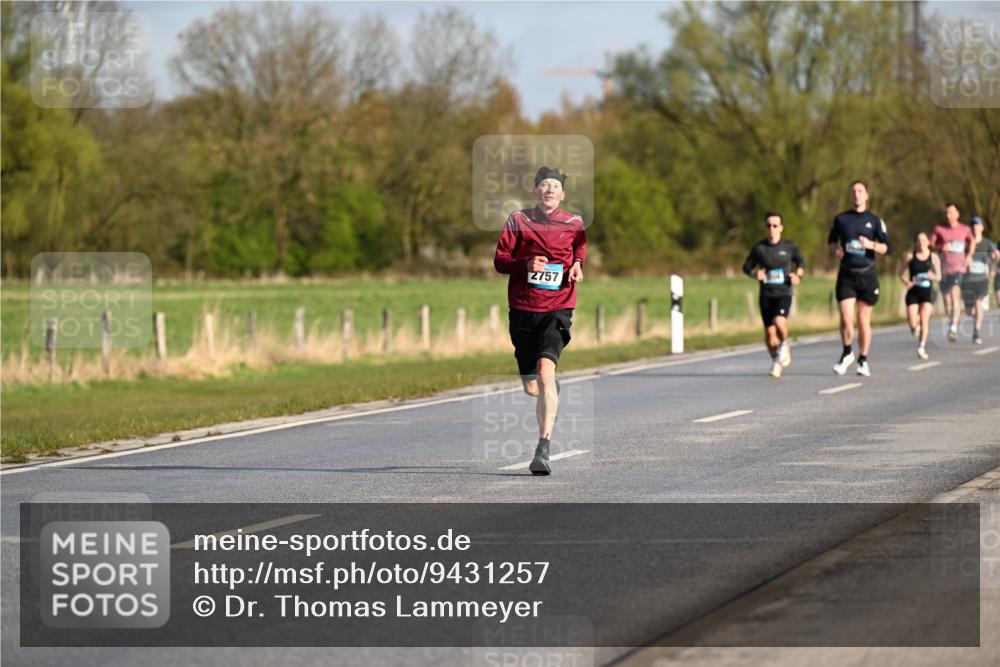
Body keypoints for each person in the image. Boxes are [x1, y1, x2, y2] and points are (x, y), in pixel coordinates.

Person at [494, 166, 586, 476]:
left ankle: (543, 447)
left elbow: (580, 248)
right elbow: (500, 261)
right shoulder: (518, 221)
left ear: (563, 194)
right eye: (544, 185)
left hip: (558, 307)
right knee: (533, 387)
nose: (549, 190)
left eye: (555, 186)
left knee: (546, 372)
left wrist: (577, 264)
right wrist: (526, 264)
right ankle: (548, 388)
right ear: (535, 191)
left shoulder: (574, 222)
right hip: (522, 308)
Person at [828, 180, 892, 377]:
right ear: (850, 196)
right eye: (853, 191)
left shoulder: (875, 221)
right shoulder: (841, 219)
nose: (856, 194)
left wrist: (871, 244)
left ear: (866, 196)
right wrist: (836, 250)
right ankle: (847, 352)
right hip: (847, 274)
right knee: (846, 317)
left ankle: (863, 360)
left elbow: (887, 248)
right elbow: (831, 241)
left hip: (867, 275)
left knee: (863, 320)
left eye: (860, 191)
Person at [742, 212, 806, 378]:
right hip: (766, 294)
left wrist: (797, 275)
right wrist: (755, 274)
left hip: (783, 292)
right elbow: (746, 267)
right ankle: (776, 360)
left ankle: (784, 344)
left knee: (780, 321)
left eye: (775, 226)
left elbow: (801, 263)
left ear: (781, 228)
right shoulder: (759, 249)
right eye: (768, 226)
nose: (772, 229)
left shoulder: (789, 247)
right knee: (770, 336)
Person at [930, 203, 975, 342]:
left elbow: (972, 241)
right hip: (944, 270)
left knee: (955, 294)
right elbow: (931, 246)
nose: (948, 215)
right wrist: (940, 247)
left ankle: (953, 328)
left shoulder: (964, 229)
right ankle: (952, 322)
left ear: (957, 214)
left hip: (958, 268)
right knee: (946, 301)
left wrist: (969, 255)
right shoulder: (939, 229)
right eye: (946, 213)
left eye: (950, 212)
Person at [898, 232, 941, 359]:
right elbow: (900, 273)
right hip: (913, 292)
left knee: (924, 320)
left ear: (928, 242)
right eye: (918, 240)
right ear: (916, 242)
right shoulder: (911, 257)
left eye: (923, 240)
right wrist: (907, 282)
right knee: (913, 323)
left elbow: (939, 276)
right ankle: (915, 328)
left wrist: (931, 276)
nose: (921, 242)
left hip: (927, 291)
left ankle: (921, 347)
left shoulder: (933, 257)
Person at [962, 216, 996, 345]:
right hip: (968, 279)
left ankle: (976, 332)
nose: (975, 227)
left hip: (981, 279)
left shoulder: (987, 243)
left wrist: (993, 266)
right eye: (973, 225)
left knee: (978, 303)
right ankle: (978, 313)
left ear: (981, 227)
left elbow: (994, 258)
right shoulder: (966, 243)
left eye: (977, 225)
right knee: (970, 311)